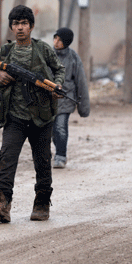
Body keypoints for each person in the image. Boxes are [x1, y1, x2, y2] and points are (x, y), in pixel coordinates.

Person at [0, 5, 65, 223]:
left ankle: (41, 203)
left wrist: (57, 86)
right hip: (14, 117)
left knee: (42, 161)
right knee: (7, 159)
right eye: (16, 24)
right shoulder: (6, 51)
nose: (20, 28)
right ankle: (2, 203)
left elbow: (59, 69)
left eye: (24, 24)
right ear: (11, 27)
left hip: (41, 117)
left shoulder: (43, 49)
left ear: (31, 26)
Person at [51, 27, 90, 169]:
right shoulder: (47, 55)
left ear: (66, 42)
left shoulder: (73, 58)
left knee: (60, 128)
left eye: (60, 40)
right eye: (55, 38)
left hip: (65, 99)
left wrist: (83, 107)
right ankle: (50, 153)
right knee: (50, 131)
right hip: (48, 100)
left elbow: (81, 82)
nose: (56, 42)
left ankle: (61, 156)